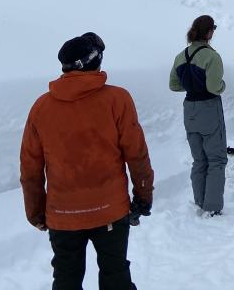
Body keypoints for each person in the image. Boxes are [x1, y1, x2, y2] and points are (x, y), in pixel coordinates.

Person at [20, 32, 154, 289]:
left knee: (66, 280)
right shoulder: (118, 99)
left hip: (62, 215)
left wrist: (36, 212)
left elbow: (30, 168)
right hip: (111, 213)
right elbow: (136, 154)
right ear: (94, 62)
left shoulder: (41, 107)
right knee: (116, 276)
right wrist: (144, 195)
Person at [169, 15, 227, 217]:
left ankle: (199, 201)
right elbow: (214, 86)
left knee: (199, 160)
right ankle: (212, 207)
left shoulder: (180, 56)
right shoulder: (212, 57)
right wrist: (222, 86)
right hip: (209, 109)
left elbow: (173, 85)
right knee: (217, 159)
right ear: (209, 32)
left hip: (190, 110)